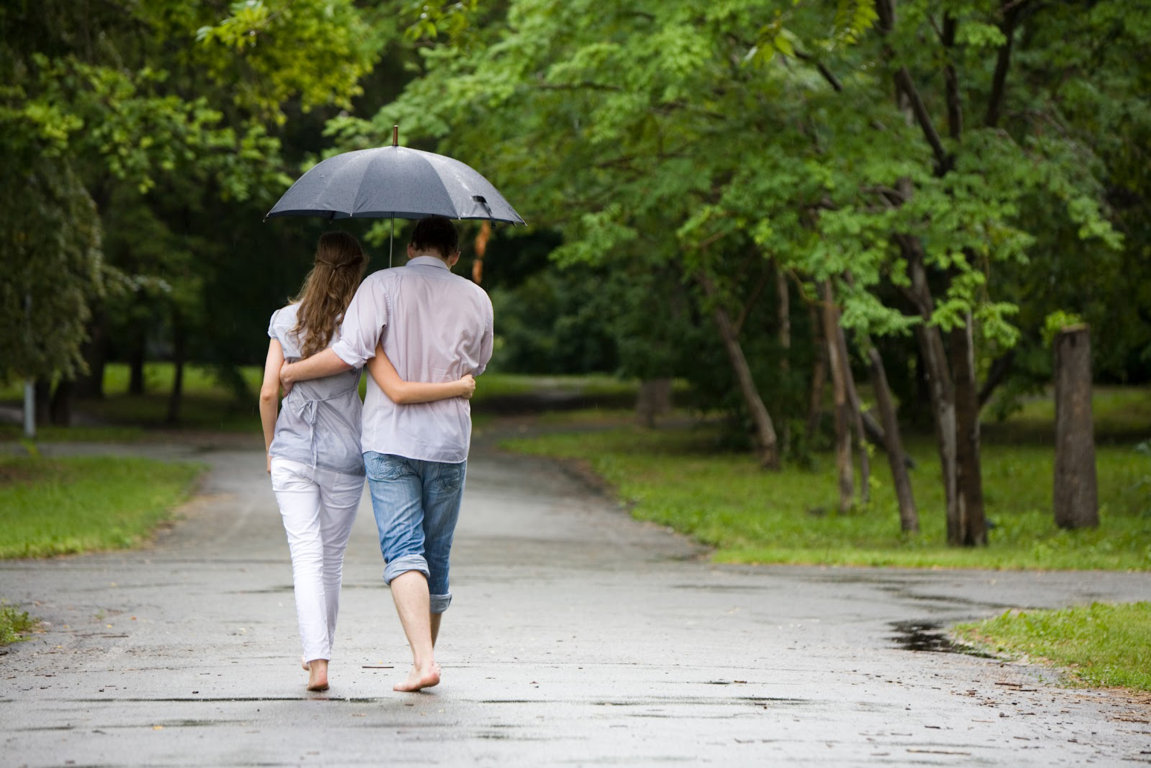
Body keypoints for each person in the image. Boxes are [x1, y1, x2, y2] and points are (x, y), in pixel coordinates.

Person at [280, 216, 493, 692]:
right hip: (449, 442)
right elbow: (479, 363)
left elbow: (351, 352)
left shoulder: (381, 285)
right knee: (436, 554)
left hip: (390, 442)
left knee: (403, 550)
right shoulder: (478, 298)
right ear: (455, 255)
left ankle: (423, 661)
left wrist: (293, 374)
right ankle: (424, 659)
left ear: (412, 245)